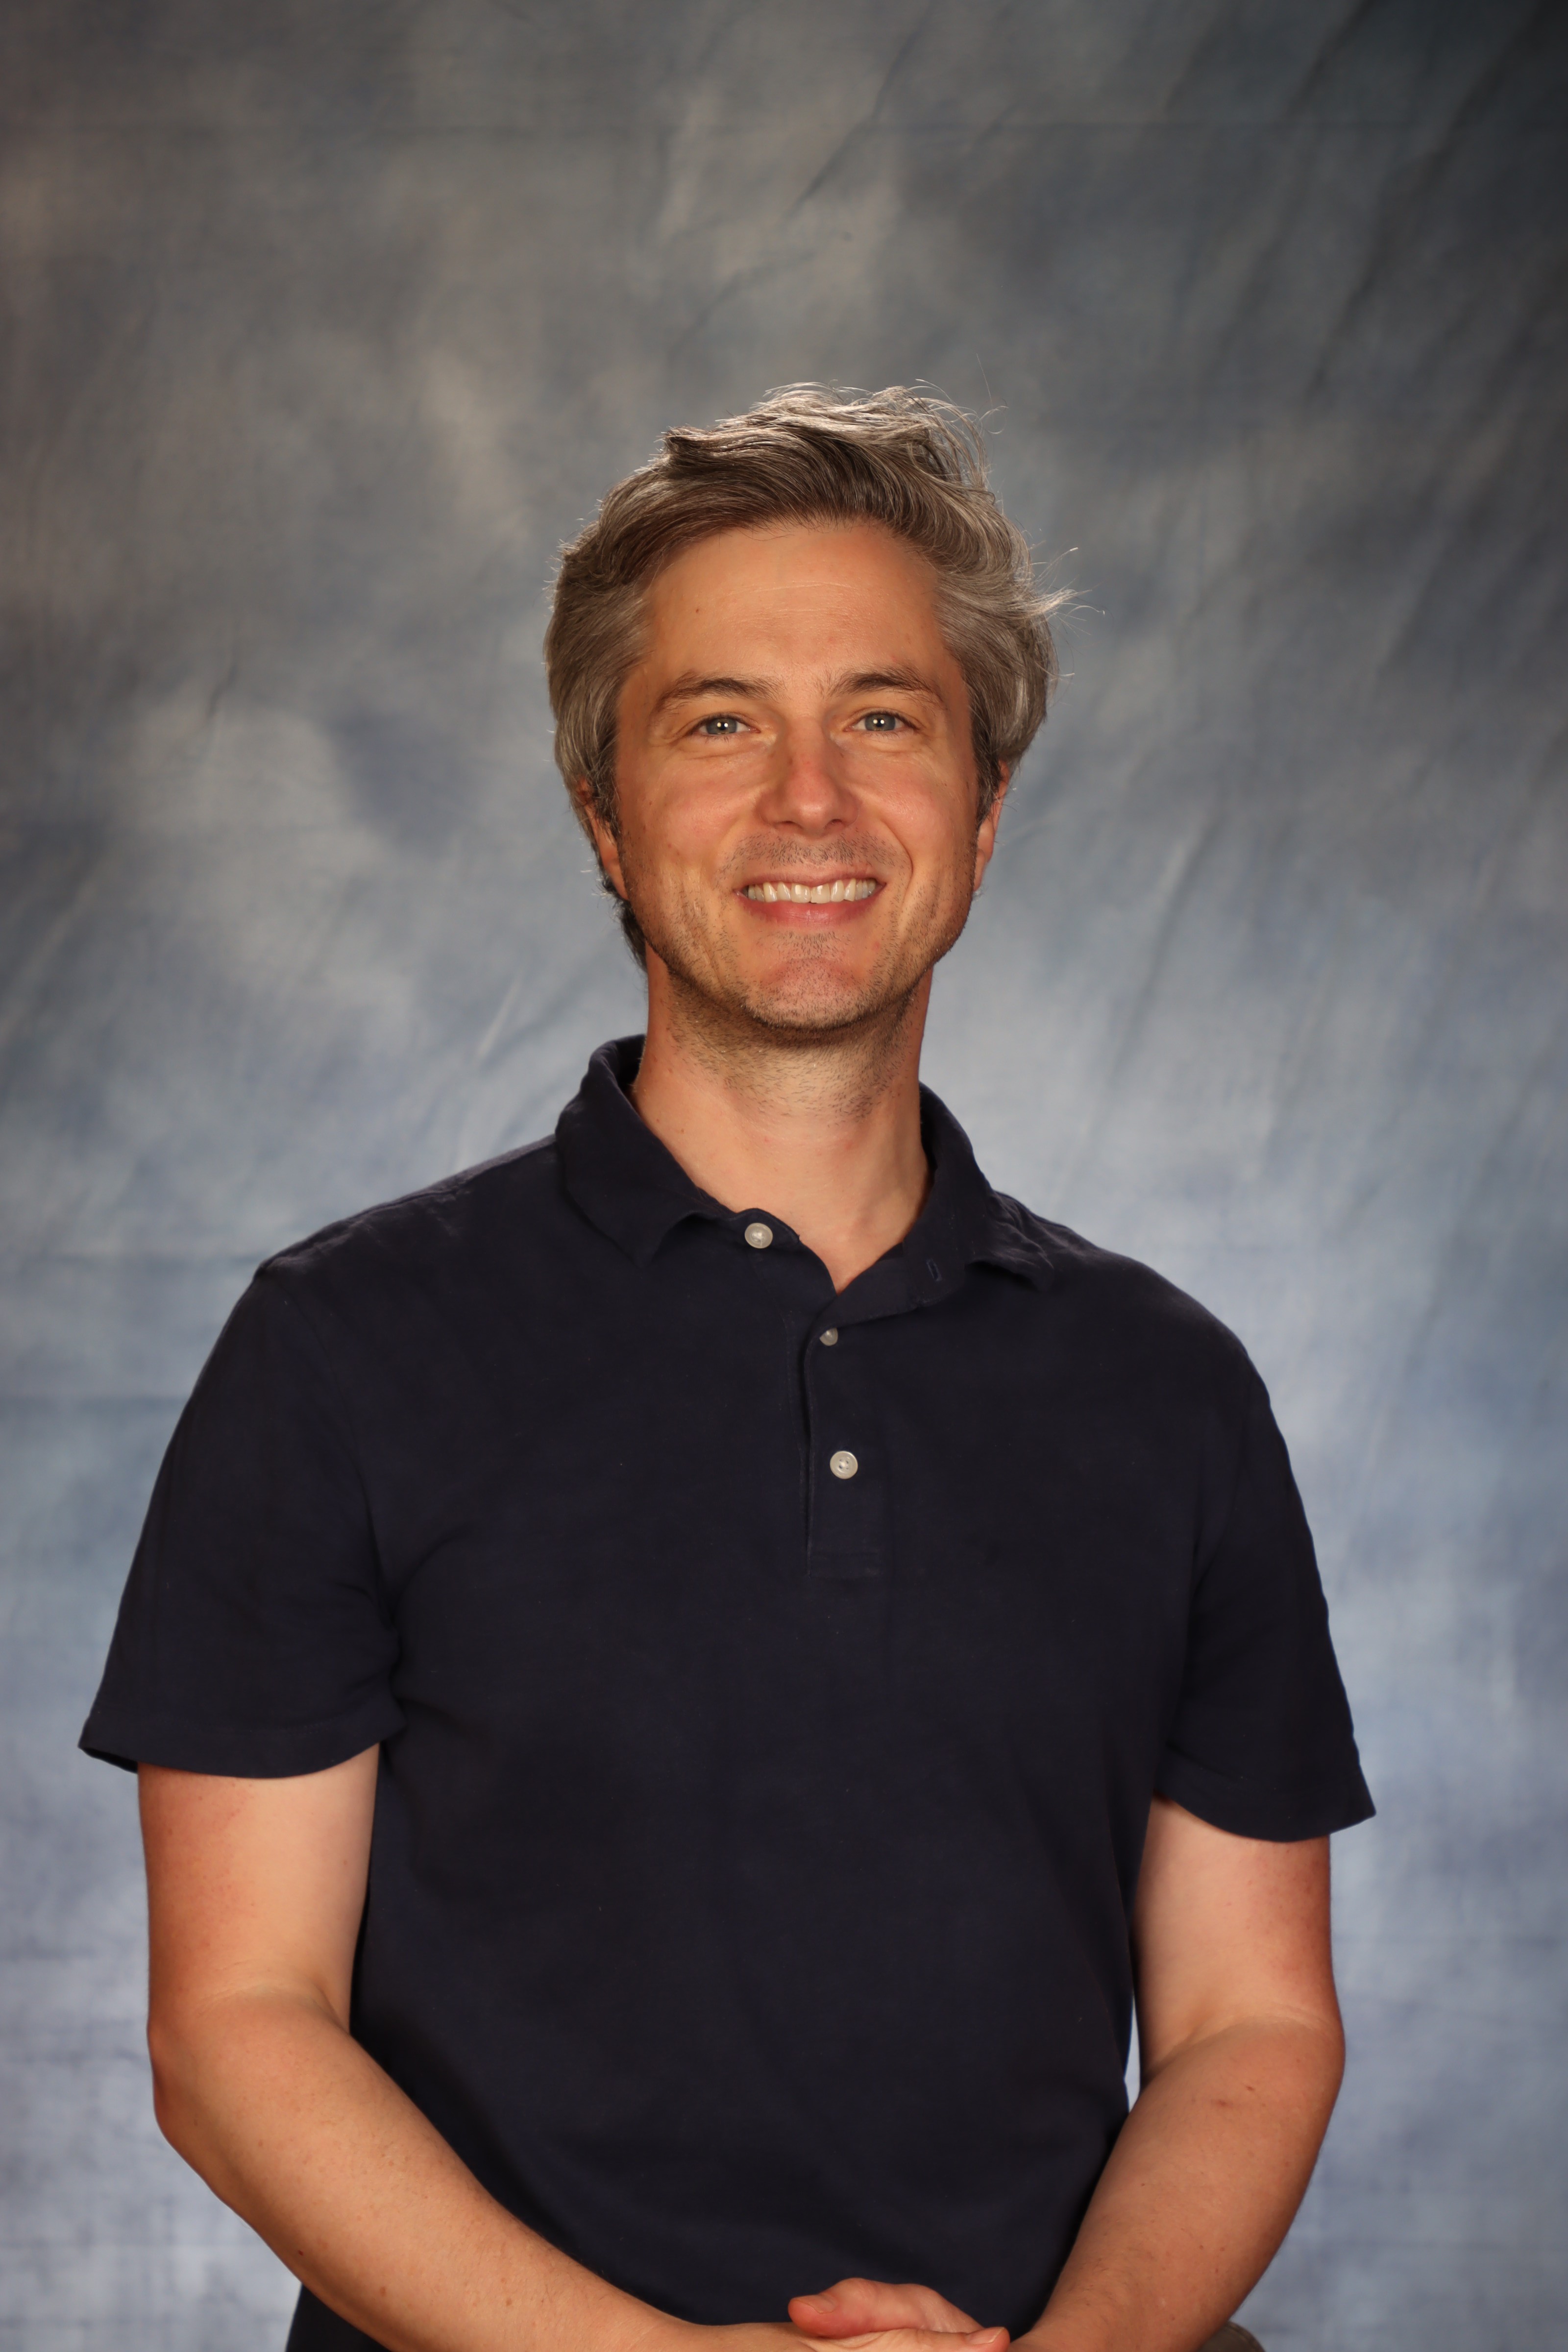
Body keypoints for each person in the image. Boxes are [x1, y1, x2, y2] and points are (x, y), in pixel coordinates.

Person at [82, 387, 1372, 2352]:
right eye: (718, 725)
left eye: (884, 719)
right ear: (602, 817)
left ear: (982, 808)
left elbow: (1248, 2026)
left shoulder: (1171, 1391)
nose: (809, 803)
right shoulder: (338, 1353)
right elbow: (233, 2032)